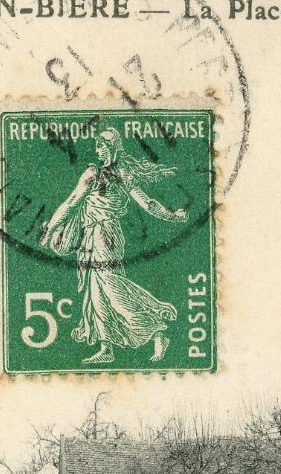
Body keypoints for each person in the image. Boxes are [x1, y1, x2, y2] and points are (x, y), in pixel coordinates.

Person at [41, 127, 186, 365]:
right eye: (97, 147)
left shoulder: (117, 174)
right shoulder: (97, 173)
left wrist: (173, 216)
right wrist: (51, 231)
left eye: (103, 146)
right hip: (93, 235)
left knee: (110, 286)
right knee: (96, 293)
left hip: (104, 234)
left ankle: (156, 325)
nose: (99, 151)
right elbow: (70, 203)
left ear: (113, 148)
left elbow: (147, 203)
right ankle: (106, 347)